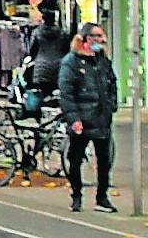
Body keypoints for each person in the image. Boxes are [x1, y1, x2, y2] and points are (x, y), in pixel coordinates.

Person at [59, 21, 120, 214]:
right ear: (86, 39)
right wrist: (74, 118)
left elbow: (112, 83)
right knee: (75, 159)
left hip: (101, 117)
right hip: (82, 120)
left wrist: (111, 105)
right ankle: (76, 196)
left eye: (102, 37)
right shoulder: (71, 62)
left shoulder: (102, 60)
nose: (102, 41)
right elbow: (66, 93)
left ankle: (102, 198)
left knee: (104, 160)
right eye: (98, 37)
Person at [24, 6, 67, 102]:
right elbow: (66, 50)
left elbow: (31, 51)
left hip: (41, 69)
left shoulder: (37, 32)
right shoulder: (62, 33)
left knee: (41, 95)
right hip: (59, 68)